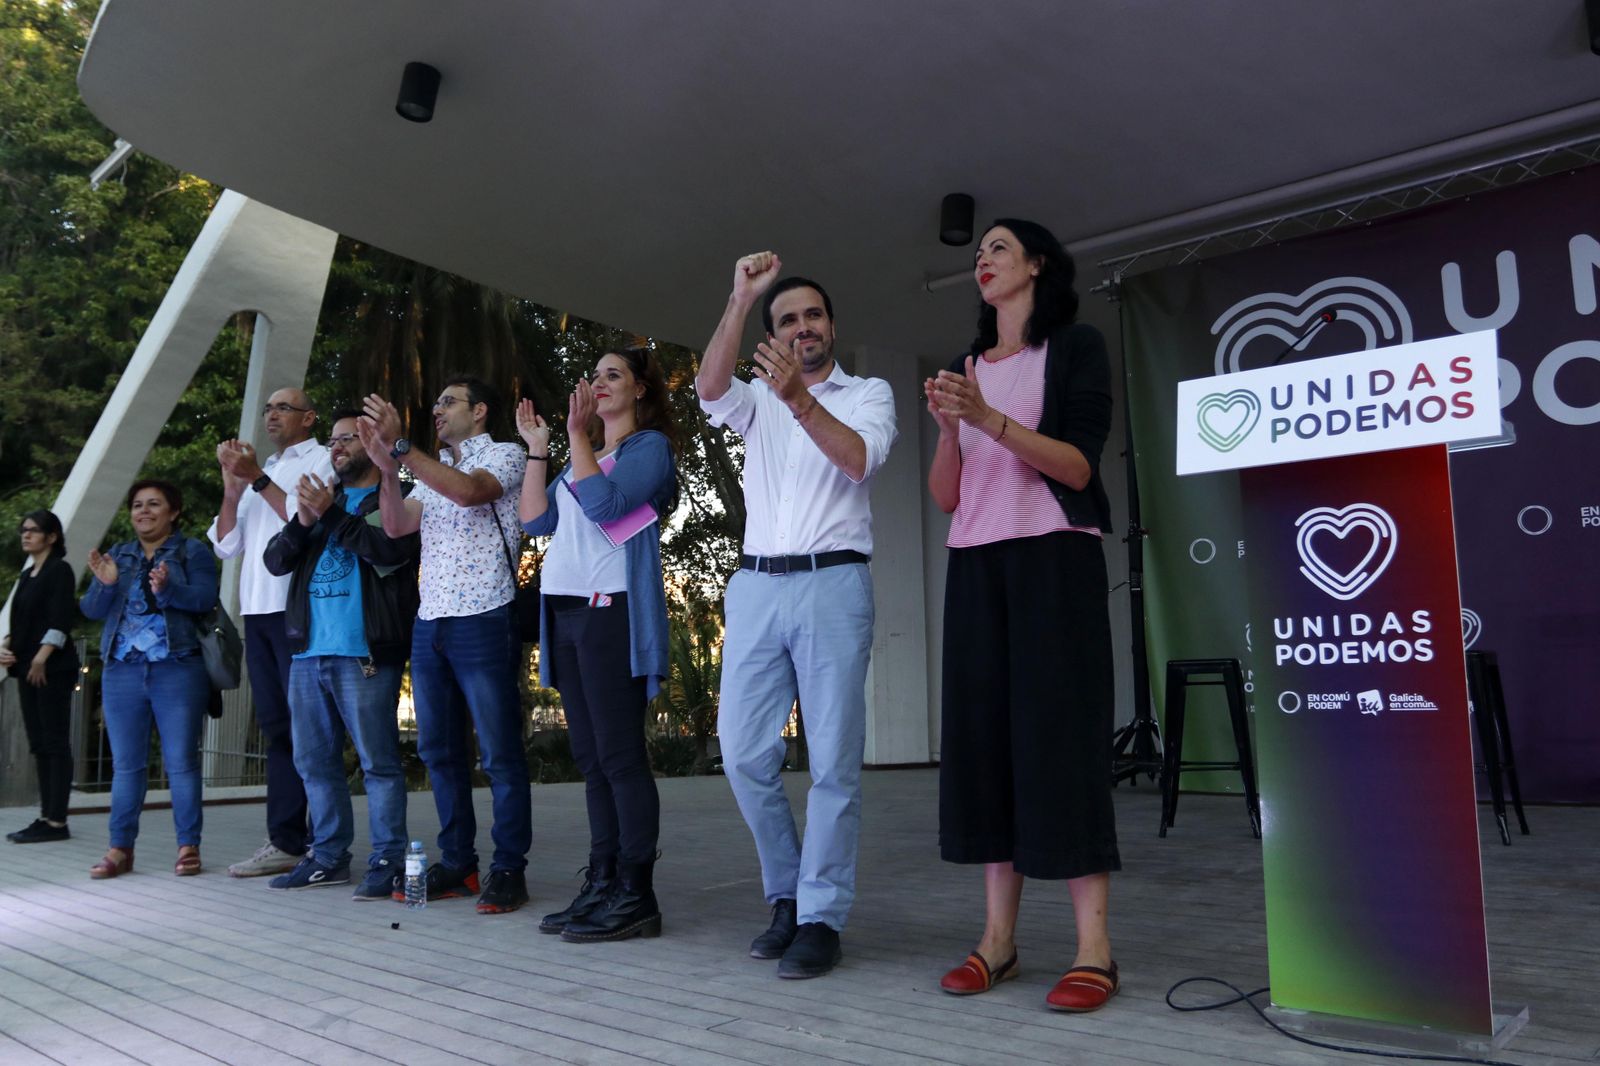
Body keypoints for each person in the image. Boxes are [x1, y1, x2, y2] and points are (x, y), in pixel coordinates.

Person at [924, 218, 1121, 1011]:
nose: (984, 260)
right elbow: (947, 496)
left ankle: (1095, 950)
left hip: (1053, 559)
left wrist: (989, 420)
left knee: (1060, 738)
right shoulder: (962, 370)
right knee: (984, 743)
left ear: (1038, 265)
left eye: (1000, 248)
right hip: (976, 565)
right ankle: (997, 943)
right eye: (980, 252)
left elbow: (1076, 464)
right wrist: (949, 430)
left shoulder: (1074, 348)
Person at [697, 252, 898, 978]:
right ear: (774, 334)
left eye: (813, 315)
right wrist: (738, 295)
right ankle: (785, 894)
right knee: (745, 753)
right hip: (756, 587)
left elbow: (857, 462)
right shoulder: (755, 398)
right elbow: (709, 388)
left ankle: (819, 916)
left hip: (833, 584)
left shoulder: (867, 392)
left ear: (832, 326)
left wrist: (800, 400)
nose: (803, 327)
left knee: (834, 764)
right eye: (787, 320)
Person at [516, 349, 678, 942]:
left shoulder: (648, 450)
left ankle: (637, 894)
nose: (601, 383)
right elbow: (535, 521)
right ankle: (603, 881)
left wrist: (579, 439)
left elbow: (607, 506)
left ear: (640, 390)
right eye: (596, 375)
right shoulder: (584, 456)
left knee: (620, 756)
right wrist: (541, 447)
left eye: (615, 375)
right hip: (564, 613)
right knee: (590, 761)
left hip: (610, 611)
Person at [358, 376, 532, 914]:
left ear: (480, 411)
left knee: (499, 751)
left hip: (484, 615)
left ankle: (508, 869)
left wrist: (403, 449)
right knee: (438, 751)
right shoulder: (425, 469)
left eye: (448, 401)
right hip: (430, 622)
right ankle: (459, 862)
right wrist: (388, 470)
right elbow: (394, 526)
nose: (437, 409)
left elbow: (470, 491)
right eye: (435, 402)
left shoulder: (505, 453)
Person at [261, 410, 420, 899]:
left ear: (372, 442)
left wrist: (328, 513)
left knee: (378, 763)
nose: (336, 447)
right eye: (332, 441)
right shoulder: (316, 502)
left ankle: (389, 859)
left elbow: (387, 551)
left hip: (364, 653)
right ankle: (327, 857)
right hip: (308, 653)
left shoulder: (397, 496)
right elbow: (275, 561)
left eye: (347, 438)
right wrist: (304, 521)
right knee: (313, 762)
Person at [209, 386, 335, 878]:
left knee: (310, 727)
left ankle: (322, 840)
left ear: (309, 417)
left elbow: (305, 520)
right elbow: (225, 545)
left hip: (298, 610)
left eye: (283, 407)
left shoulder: (322, 459)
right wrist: (231, 488)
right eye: (267, 408)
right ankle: (286, 838)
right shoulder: (256, 472)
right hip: (257, 612)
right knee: (277, 726)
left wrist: (256, 476)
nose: (271, 415)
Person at [80, 480, 219, 878]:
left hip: (176, 667)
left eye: (154, 504)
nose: (144, 511)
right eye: (137, 505)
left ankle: (188, 846)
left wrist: (170, 589)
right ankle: (120, 848)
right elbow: (90, 609)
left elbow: (205, 599)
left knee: (181, 763)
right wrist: (106, 585)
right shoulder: (118, 554)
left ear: (172, 512)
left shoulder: (191, 551)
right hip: (121, 669)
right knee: (126, 766)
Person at [2, 510, 81, 844]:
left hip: (51, 669)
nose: (26, 535)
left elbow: (61, 619)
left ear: (52, 537)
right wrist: (6, 645)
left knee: (54, 741)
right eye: (24, 529)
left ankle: (56, 821)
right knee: (39, 743)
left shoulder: (59, 571)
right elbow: (21, 621)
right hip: (26, 668)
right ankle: (46, 816)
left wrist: (41, 657)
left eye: (33, 530)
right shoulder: (28, 575)